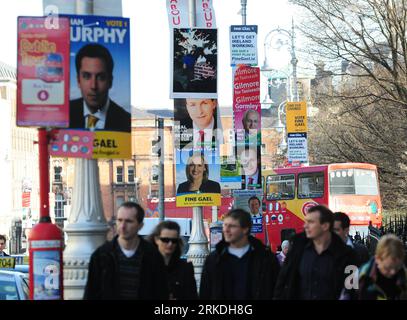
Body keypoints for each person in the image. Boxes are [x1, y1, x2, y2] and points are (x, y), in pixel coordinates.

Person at [84, 202, 168, 300]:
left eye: (129, 221)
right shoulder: (101, 255)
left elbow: (161, 293)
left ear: (140, 225)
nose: (123, 226)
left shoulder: (153, 256)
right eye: (119, 220)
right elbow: (91, 293)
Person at [274, 205, 358, 300]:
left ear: (325, 226)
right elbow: (283, 280)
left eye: (311, 222)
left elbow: (352, 289)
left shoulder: (347, 255)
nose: (305, 226)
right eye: (306, 221)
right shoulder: (298, 248)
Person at [200, 209, 280, 300]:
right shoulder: (213, 259)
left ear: (245, 229)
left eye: (232, 226)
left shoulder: (267, 259)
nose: (226, 230)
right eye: (225, 225)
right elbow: (205, 294)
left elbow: (277, 291)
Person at [70, 43, 131, 132]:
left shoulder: (127, 122)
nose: (93, 86)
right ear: (78, 80)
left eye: (101, 77)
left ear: (110, 81)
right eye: (86, 76)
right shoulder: (62, 116)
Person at [342, 234, 407, 300]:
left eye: (397, 267)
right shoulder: (360, 278)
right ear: (377, 259)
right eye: (388, 268)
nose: (393, 272)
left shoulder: (404, 277)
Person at [148, 221, 197, 300]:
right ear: (156, 240)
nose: (170, 244)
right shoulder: (146, 266)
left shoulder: (185, 269)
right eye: (165, 240)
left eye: (174, 241)